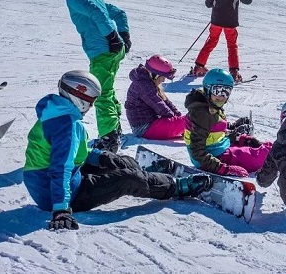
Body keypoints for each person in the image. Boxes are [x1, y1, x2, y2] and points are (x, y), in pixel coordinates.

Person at [23, 70, 213, 231]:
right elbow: (60, 168)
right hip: (58, 194)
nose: (91, 106)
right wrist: (61, 209)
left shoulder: (57, 112)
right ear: (80, 97)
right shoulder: (67, 125)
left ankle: (148, 175)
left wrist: (101, 157)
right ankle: (176, 187)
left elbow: (73, 152)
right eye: (91, 100)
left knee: (119, 161)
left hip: (61, 179)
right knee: (129, 179)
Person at [57, 0, 130, 152]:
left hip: (102, 51)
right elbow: (119, 13)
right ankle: (114, 130)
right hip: (114, 49)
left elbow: (96, 13)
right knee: (108, 89)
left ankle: (109, 139)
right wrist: (123, 36)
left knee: (101, 93)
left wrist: (111, 36)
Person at [184, 68, 271, 177]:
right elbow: (197, 152)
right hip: (212, 158)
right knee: (263, 156)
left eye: (226, 92)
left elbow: (214, 135)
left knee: (265, 147)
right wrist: (224, 169)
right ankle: (285, 158)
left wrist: (238, 139)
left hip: (218, 149)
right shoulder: (202, 114)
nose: (221, 97)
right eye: (217, 91)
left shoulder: (210, 105)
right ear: (207, 89)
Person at [190, 0, 252, 82]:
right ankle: (233, 72)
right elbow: (248, 0)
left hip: (216, 21)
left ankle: (199, 67)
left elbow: (208, 4)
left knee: (211, 42)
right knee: (231, 45)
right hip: (230, 23)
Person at [125, 55, 186, 140]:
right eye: (163, 77)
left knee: (186, 121)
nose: (163, 80)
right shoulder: (143, 85)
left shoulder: (148, 83)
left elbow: (166, 102)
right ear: (155, 75)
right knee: (189, 121)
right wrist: (177, 122)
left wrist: (178, 116)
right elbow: (160, 106)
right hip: (144, 128)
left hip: (151, 124)